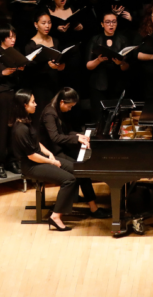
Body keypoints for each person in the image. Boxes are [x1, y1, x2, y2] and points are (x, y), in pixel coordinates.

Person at [11, 90, 97, 232]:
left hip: (41, 158)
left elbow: (37, 143)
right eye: (33, 102)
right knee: (70, 179)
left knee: (77, 170)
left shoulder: (26, 121)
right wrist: (51, 162)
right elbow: (31, 155)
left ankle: (71, 204)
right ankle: (56, 216)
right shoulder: (20, 129)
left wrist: (49, 154)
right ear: (24, 105)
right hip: (32, 165)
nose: (36, 104)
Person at [38, 88, 111, 219]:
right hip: (51, 153)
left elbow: (66, 132)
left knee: (82, 166)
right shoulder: (50, 114)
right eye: (70, 106)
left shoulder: (58, 111)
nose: (70, 109)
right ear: (61, 102)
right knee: (81, 170)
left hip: (59, 149)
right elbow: (55, 137)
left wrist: (78, 135)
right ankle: (93, 208)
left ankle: (83, 200)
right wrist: (76, 138)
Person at [0, 24, 24, 178]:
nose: (13, 40)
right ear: (2, 38)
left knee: (14, 130)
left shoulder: (16, 52)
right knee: (0, 131)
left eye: (14, 36)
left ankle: (12, 160)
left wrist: (21, 70)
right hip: (0, 96)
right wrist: (2, 73)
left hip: (14, 94)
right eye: (9, 37)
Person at [85, 12, 131, 122]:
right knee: (99, 115)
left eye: (114, 22)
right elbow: (88, 65)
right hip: (99, 82)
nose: (111, 25)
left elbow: (127, 66)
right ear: (102, 24)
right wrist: (98, 60)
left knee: (117, 116)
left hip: (117, 82)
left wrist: (120, 63)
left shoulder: (123, 39)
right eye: (108, 22)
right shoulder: (95, 40)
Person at [24, 11, 66, 119]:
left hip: (55, 82)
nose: (47, 26)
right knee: (42, 114)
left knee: (55, 112)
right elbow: (29, 70)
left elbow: (61, 59)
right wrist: (47, 67)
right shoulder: (30, 45)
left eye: (49, 22)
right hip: (40, 85)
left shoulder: (55, 41)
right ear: (36, 24)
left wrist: (61, 66)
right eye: (43, 23)